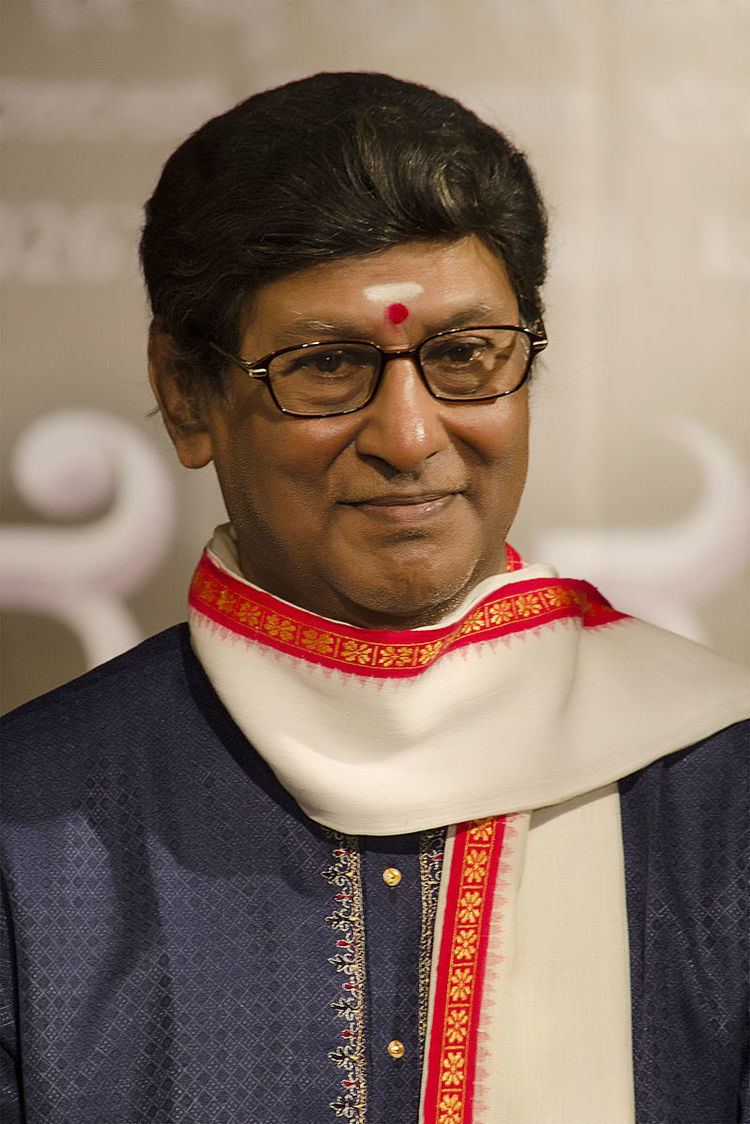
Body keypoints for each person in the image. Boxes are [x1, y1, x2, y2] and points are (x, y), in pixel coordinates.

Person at [2, 72, 748, 1124]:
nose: (409, 436)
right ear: (185, 392)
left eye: (464, 356)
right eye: (325, 365)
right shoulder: (32, 825)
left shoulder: (717, 791)